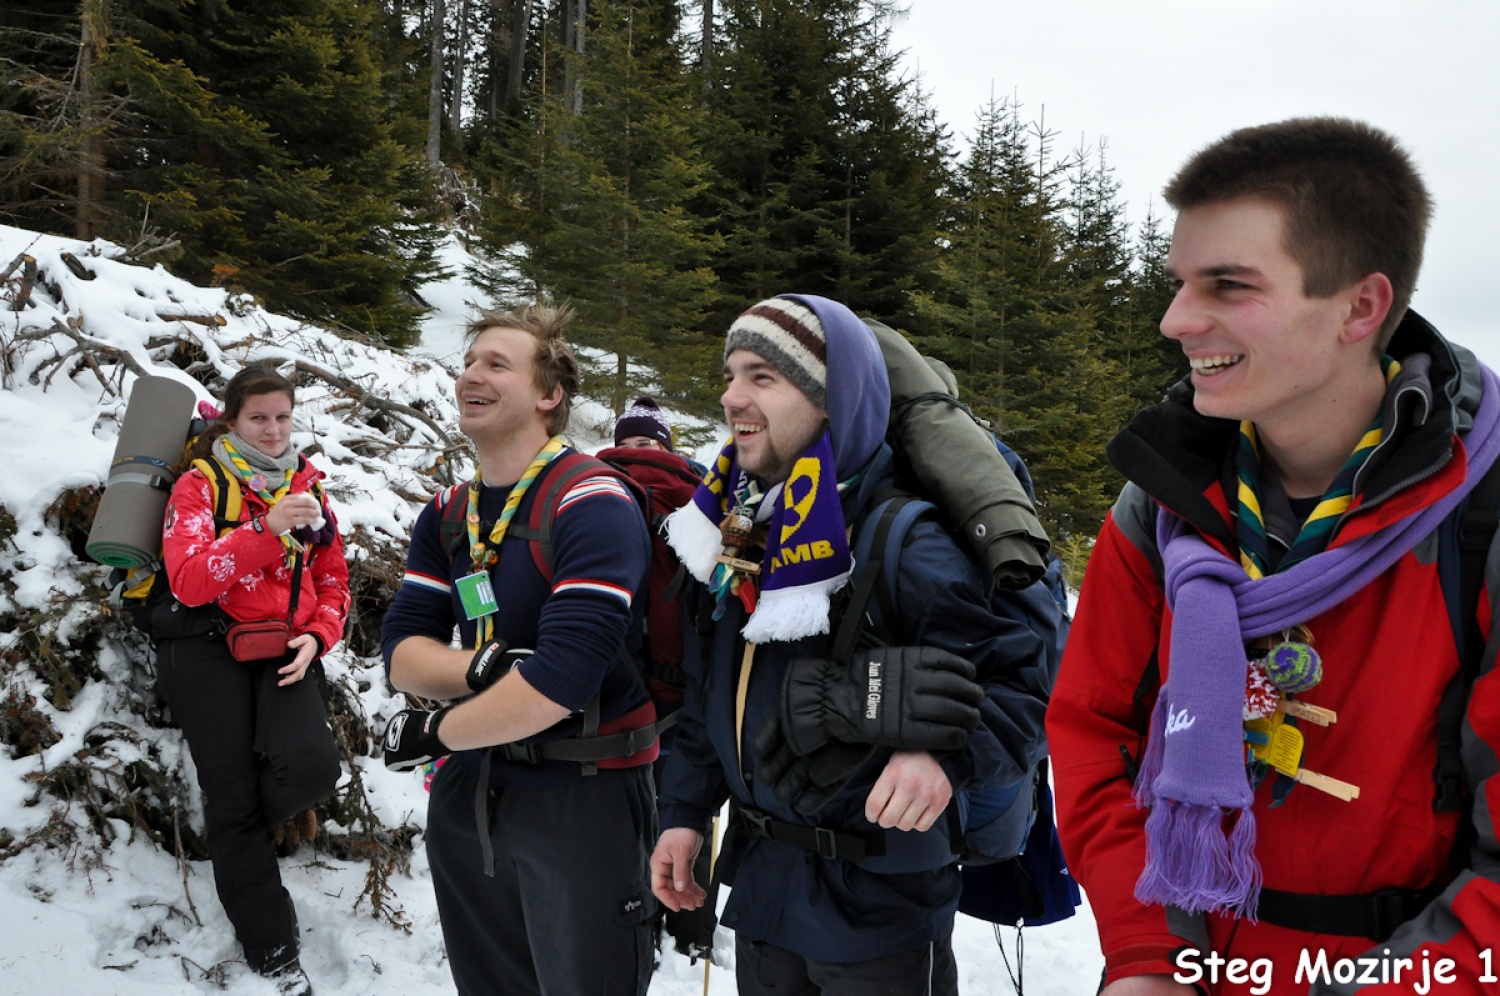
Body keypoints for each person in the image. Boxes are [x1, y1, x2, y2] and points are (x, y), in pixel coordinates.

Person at [1047, 117, 1500, 995]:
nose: (1177, 320)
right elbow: (1094, 733)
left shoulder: (1481, 510)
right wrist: (1149, 958)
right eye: (1180, 282)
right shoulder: (1166, 505)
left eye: (1227, 284)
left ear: (1360, 308)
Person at [650, 294, 1053, 994]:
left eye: (761, 377)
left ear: (831, 398)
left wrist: (947, 759)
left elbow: (1031, 678)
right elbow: (708, 689)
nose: (730, 397)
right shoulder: (739, 524)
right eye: (730, 373)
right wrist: (684, 812)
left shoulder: (905, 539)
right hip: (767, 886)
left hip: (881, 902)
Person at [379, 305, 660, 996]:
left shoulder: (591, 501)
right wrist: (484, 669)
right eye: (470, 361)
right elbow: (401, 650)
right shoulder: (449, 510)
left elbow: (561, 680)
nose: (471, 374)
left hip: (582, 799)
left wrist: (436, 726)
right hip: (471, 796)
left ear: (549, 395)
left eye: (497, 364)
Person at [159, 362, 348, 996]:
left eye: (283, 417)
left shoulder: (310, 487)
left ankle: (236, 835)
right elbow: (188, 580)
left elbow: (333, 582)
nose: (272, 430)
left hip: (283, 648)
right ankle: (272, 949)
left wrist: (318, 635)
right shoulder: (200, 486)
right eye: (258, 418)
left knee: (315, 768)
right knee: (232, 793)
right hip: (207, 650)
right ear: (232, 420)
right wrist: (264, 530)